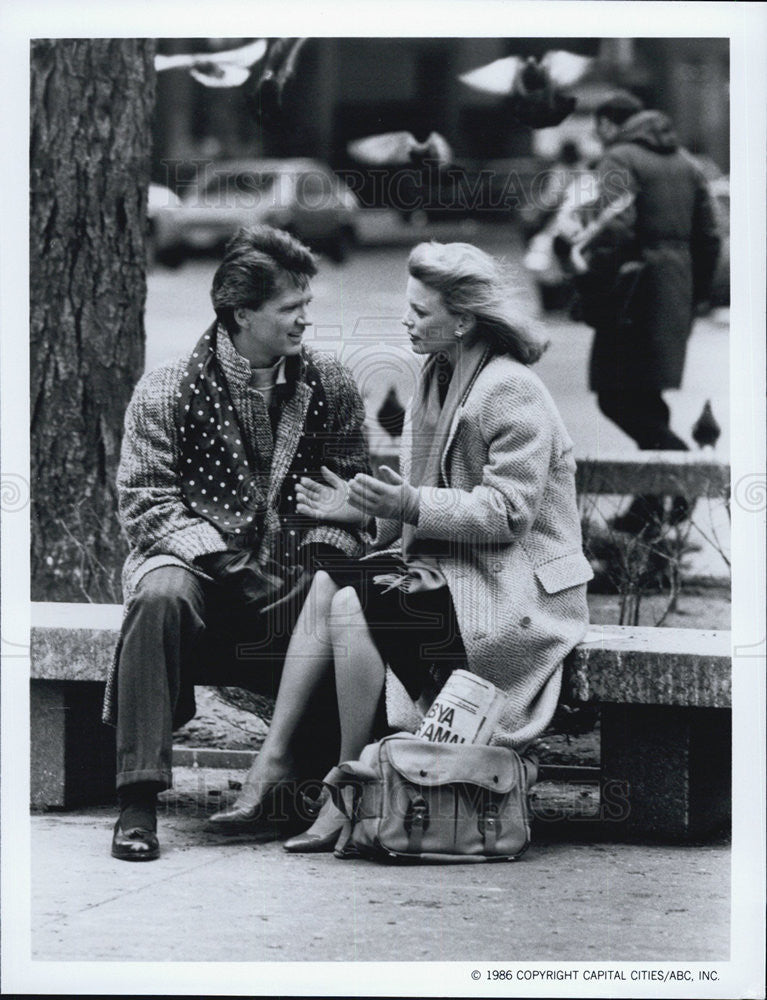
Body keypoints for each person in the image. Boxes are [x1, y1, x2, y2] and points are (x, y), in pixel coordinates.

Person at [209, 241, 593, 852]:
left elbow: (508, 514)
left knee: (347, 599)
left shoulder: (509, 389)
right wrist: (361, 511)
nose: (407, 321)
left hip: (514, 597)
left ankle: (342, 784)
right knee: (335, 584)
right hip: (459, 576)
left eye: (419, 311)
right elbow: (414, 510)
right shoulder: (437, 379)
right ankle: (302, 768)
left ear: (462, 320)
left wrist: (404, 504)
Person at [103, 225, 370, 861]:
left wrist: (317, 551)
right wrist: (226, 562)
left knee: (341, 599)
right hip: (198, 576)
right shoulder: (166, 389)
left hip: (294, 585)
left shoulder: (329, 385)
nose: (305, 320)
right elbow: (146, 504)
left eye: (307, 304)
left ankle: (312, 784)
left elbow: (352, 499)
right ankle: (137, 804)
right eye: (290, 308)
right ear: (241, 313)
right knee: (158, 597)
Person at [578, 92, 721, 533]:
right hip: (674, 288)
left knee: (616, 395)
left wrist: (591, 282)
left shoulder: (618, 157)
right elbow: (711, 236)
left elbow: (613, 228)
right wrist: (690, 291)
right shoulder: (688, 162)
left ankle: (679, 472)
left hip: (631, 290)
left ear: (607, 124)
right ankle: (648, 509)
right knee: (645, 397)